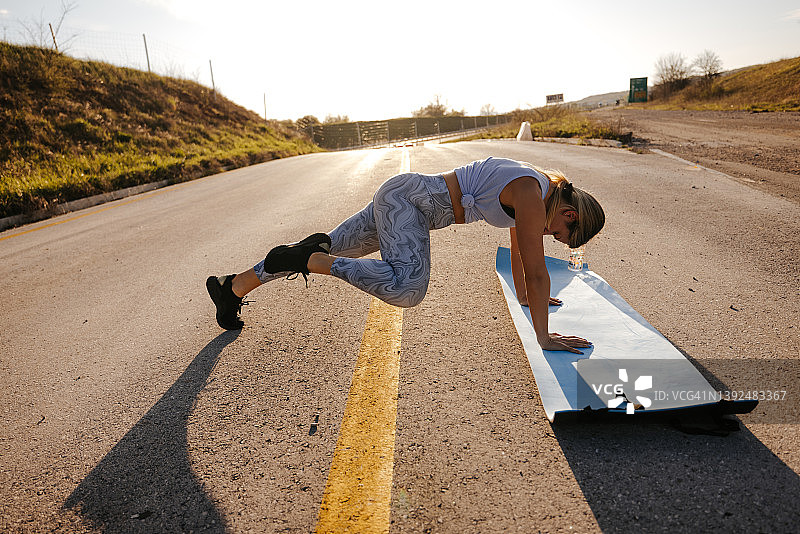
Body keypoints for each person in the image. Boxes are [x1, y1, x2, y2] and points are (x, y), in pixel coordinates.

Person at [206, 157, 605, 353]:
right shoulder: (533, 195)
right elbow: (538, 272)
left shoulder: (531, 187)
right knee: (408, 288)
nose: (551, 237)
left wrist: (523, 297)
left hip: (400, 198)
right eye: (560, 235)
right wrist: (543, 336)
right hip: (408, 206)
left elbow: (521, 254)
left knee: (312, 248)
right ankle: (313, 262)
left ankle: (233, 288)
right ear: (569, 214)